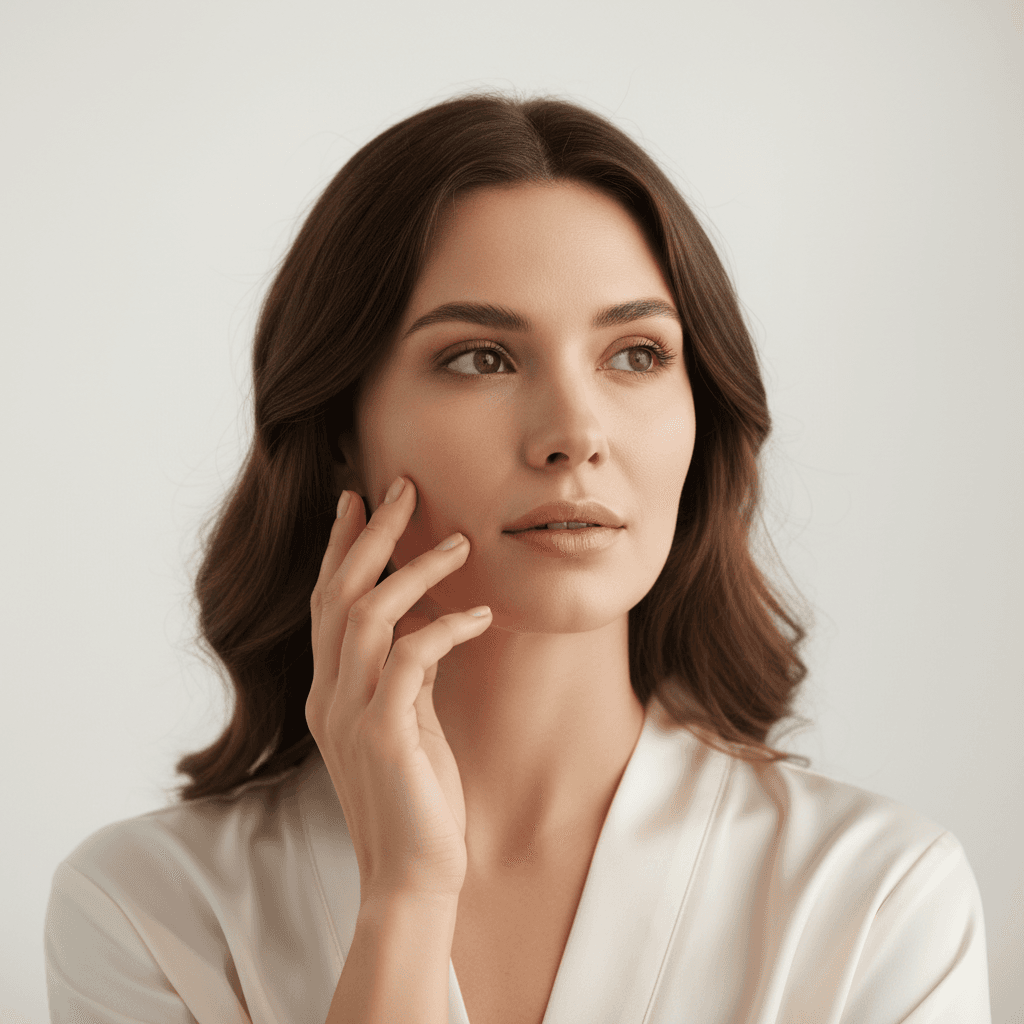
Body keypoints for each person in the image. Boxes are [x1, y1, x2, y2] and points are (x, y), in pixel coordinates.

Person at [44, 90, 991, 1024]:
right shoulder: (147, 910)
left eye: (636, 354)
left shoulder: (877, 897)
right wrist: (404, 904)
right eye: (482, 358)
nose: (574, 435)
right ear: (339, 430)